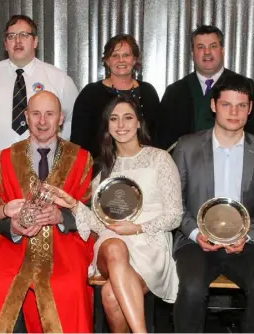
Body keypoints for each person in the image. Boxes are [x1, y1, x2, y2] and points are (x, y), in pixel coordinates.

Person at [51, 94, 182, 332]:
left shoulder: (160, 159)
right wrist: (72, 204)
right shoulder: (102, 167)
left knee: (111, 296)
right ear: (107, 126)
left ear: (139, 122)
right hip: (112, 242)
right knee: (113, 247)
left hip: (149, 243)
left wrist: (138, 228)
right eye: (114, 119)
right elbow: (100, 223)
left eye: (128, 118)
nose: (121, 125)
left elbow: (174, 215)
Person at [0, 91, 94, 333]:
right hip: (15, 246)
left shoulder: (81, 158)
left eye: (49, 114)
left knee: (68, 287)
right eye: (36, 114)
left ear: (61, 118)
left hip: (64, 244)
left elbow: (89, 210)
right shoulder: (6, 158)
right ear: (26, 117)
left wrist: (62, 216)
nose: (42, 121)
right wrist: (13, 227)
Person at [172, 75, 254, 332]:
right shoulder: (187, 147)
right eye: (226, 105)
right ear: (213, 106)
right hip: (195, 242)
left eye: (241, 105)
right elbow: (174, 203)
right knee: (191, 289)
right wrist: (196, 233)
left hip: (247, 243)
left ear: (250, 109)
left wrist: (249, 235)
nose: (234, 112)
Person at [0, 14, 79, 152]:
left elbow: (73, 120)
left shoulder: (59, 80)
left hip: (44, 167)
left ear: (35, 41)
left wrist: (57, 152)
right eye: (11, 36)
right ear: (5, 44)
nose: (17, 41)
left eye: (24, 35)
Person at [155, 25, 254, 151]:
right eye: (201, 47)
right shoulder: (175, 92)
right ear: (193, 54)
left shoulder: (244, 87)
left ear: (222, 50)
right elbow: (163, 143)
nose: (207, 52)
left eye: (213, 46)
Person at [70, 34, 161, 158]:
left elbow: (157, 136)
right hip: (100, 168)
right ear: (107, 61)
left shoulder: (148, 92)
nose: (121, 60)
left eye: (126, 55)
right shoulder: (90, 94)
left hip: (143, 167)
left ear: (134, 59)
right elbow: (78, 141)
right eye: (115, 56)